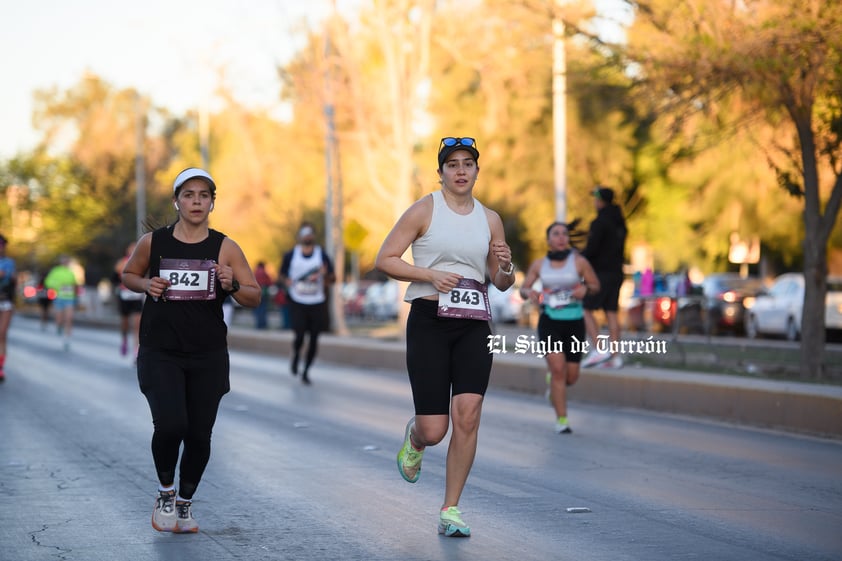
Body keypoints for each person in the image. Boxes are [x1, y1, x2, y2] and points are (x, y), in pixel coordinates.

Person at [375, 136, 515, 538]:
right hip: (429, 320)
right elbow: (384, 258)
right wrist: (429, 275)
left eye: (467, 164)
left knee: (468, 416)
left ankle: (450, 508)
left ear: (476, 171)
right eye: (452, 164)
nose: (460, 170)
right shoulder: (424, 209)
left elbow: (502, 282)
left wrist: (506, 266)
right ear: (440, 173)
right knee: (435, 429)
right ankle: (416, 439)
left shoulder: (490, 219)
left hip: (473, 323)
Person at [120, 167, 260, 534]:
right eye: (189, 195)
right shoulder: (154, 243)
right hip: (160, 349)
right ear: (176, 201)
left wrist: (231, 285)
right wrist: (146, 284)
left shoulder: (225, 246)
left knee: (199, 434)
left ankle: (184, 503)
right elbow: (128, 275)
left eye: (204, 196)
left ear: (213, 202)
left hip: (207, 353)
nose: (196, 202)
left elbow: (254, 295)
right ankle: (165, 492)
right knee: (171, 424)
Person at [520, 222, 600, 433]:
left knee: (571, 377)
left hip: (574, 322)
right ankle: (562, 420)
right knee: (558, 370)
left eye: (564, 234)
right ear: (548, 240)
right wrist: (530, 293)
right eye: (556, 234)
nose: (561, 237)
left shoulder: (579, 262)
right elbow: (524, 288)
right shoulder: (540, 264)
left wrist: (585, 289)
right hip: (549, 321)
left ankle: (553, 390)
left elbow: (595, 286)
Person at [279, 222, 335, 385]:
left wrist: (325, 275)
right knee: (300, 335)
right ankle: (296, 354)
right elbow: (281, 275)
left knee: (314, 338)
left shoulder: (321, 255)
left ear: (313, 236)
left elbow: (333, 278)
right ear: (300, 236)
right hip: (298, 300)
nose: (307, 236)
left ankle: (306, 371)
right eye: (304, 233)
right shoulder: (291, 255)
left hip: (317, 302)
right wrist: (286, 281)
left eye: (310, 233)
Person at [580, 186, 627, 369]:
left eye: (596, 199)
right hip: (616, 272)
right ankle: (615, 356)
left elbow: (592, 249)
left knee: (586, 309)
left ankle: (599, 350)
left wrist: (577, 257)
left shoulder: (599, 223)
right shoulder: (620, 222)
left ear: (601, 201)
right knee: (612, 312)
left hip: (600, 273)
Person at [113, 242, 144, 358]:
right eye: (131, 249)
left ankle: (136, 351)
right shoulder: (121, 263)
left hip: (136, 297)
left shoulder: (143, 261)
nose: (132, 251)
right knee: (125, 323)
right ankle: (124, 339)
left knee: (137, 325)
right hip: (124, 297)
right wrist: (122, 283)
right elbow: (114, 279)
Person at [44, 255, 78, 351]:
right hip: (59, 297)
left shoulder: (71, 272)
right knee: (59, 319)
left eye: (67, 262)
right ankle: (59, 326)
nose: (66, 263)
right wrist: (57, 286)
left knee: (69, 319)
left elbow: (74, 284)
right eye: (65, 261)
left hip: (69, 298)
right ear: (61, 262)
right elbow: (48, 282)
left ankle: (67, 339)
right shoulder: (55, 271)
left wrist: (76, 295)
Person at [0, 235, 16, 382]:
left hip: (5, 300)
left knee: (2, 334)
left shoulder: (9, 262)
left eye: (2, 244)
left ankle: (0, 367)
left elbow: (6, 275)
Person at [252, 261, 273, 329]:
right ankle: (263, 324)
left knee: (257, 309)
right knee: (263, 309)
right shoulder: (265, 273)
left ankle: (258, 324)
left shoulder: (254, 273)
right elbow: (270, 282)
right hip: (264, 293)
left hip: (255, 292)